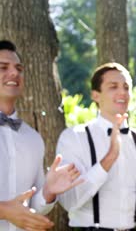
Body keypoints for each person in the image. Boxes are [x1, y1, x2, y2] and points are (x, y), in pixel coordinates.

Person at [56, 62, 136, 230]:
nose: (122, 92)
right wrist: (109, 159)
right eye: (113, 87)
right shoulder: (74, 137)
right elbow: (69, 201)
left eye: (126, 87)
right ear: (96, 95)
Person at [0, 40, 82, 231]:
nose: (14, 73)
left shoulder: (33, 138)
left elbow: (33, 206)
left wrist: (48, 191)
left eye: (19, 68)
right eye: (3, 67)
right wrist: (4, 211)